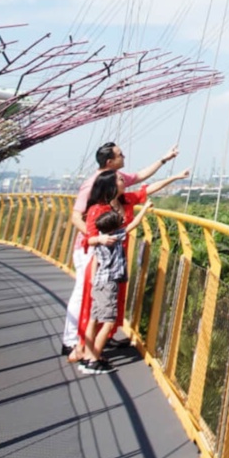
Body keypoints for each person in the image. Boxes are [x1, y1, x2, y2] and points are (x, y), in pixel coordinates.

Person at [62, 140, 179, 356]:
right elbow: (76, 216)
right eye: (120, 154)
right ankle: (74, 342)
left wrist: (165, 160)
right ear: (110, 162)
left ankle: (99, 338)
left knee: (104, 297)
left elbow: (143, 178)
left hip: (111, 253)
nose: (124, 157)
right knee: (85, 294)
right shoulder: (94, 186)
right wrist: (96, 239)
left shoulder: (120, 190)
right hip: (92, 251)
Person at [76, 207, 130, 375]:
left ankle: (87, 355)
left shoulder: (100, 239)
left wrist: (92, 280)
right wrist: (144, 211)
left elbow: (95, 261)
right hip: (109, 283)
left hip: (98, 281)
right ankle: (95, 359)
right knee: (108, 322)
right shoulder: (114, 238)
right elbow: (131, 225)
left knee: (94, 319)